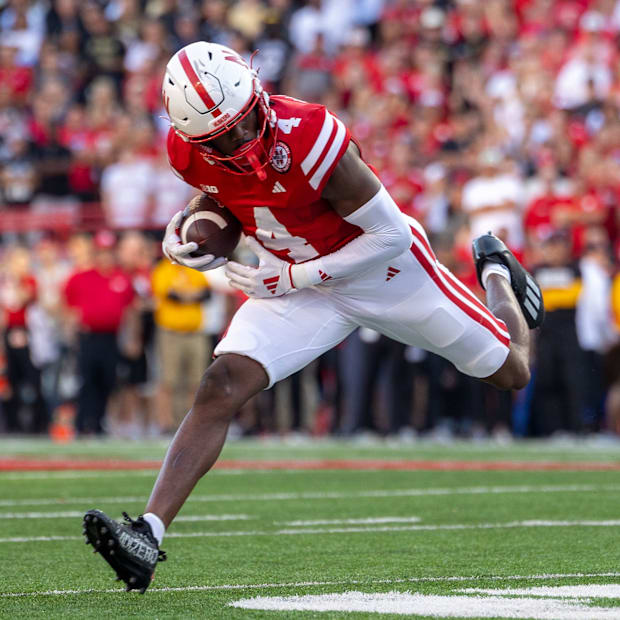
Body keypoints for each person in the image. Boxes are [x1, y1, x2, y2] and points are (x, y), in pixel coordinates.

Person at [82, 41, 544, 593]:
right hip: (294, 277)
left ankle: (495, 272)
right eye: (222, 137)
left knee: (510, 372)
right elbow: (225, 202)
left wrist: (293, 277)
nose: (241, 139)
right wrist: (183, 230)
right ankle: (147, 536)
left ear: (257, 92)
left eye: (244, 122)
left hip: (383, 273)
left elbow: (389, 232)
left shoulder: (310, 132)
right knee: (221, 383)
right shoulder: (187, 153)